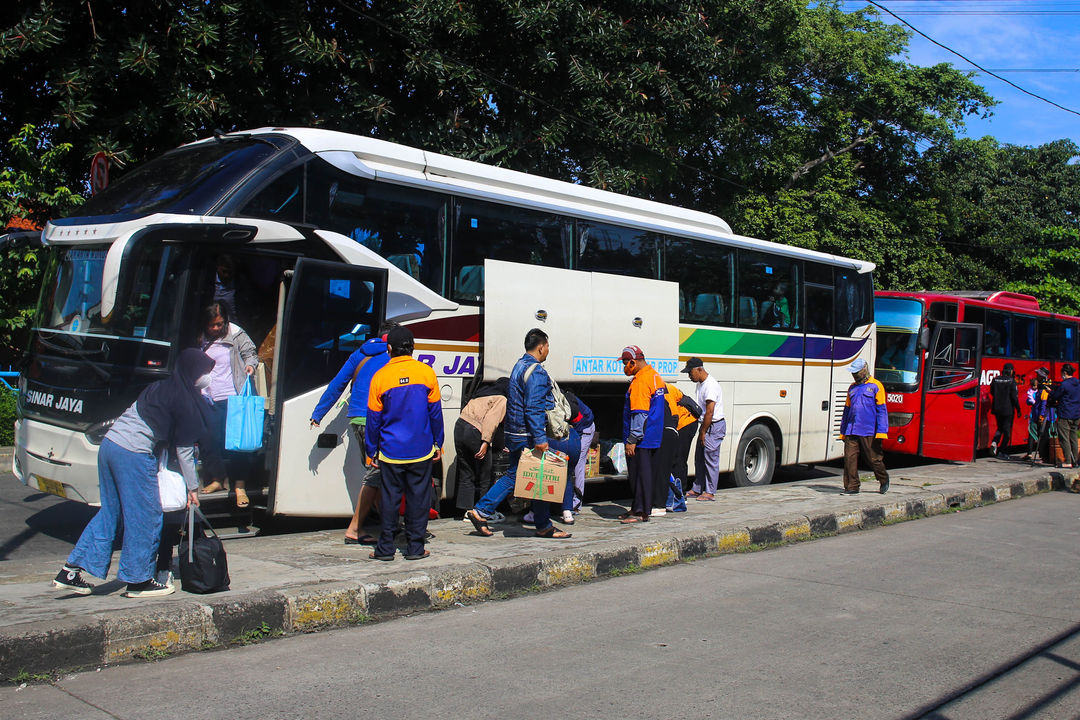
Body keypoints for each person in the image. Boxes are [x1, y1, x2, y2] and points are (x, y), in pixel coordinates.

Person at [53, 349, 213, 598]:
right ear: (194, 373)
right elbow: (184, 453)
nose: (207, 378)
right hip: (133, 452)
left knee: (111, 513)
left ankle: (70, 571)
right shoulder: (186, 403)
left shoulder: (160, 387)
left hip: (110, 446)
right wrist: (193, 488)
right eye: (205, 372)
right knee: (146, 515)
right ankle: (139, 581)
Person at [466, 328, 572, 539]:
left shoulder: (519, 366)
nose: (548, 350)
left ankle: (543, 524)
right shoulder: (537, 372)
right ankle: (481, 510)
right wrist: (540, 439)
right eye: (548, 346)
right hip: (528, 436)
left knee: (536, 476)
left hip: (514, 432)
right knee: (517, 475)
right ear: (541, 346)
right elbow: (533, 408)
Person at [310, 322, 395, 545]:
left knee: (376, 472)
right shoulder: (392, 357)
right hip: (378, 420)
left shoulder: (359, 353)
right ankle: (356, 528)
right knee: (376, 474)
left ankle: (391, 524)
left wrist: (318, 413)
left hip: (357, 419)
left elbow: (338, 384)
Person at [365, 326, 444, 561]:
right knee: (418, 499)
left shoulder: (379, 377)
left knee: (390, 498)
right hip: (420, 449)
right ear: (412, 348)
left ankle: (385, 549)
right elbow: (435, 413)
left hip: (390, 451)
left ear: (389, 349)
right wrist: (437, 443)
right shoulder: (427, 373)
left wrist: (372, 450)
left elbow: (373, 419)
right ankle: (416, 548)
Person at [197, 302, 259, 508]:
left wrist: (250, 365)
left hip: (233, 398)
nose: (215, 328)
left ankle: (239, 485)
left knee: (236, 443)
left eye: (219, 324)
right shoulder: (201, 338)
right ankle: (217, 479)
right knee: (208, 439)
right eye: (211, 325)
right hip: (208, 398)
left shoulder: (235, 333)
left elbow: (250, 353)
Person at [620, 345, 667, 523]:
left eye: (625, 363)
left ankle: (641, 511)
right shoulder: (654, 375)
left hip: (642, 438)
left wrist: (632, 439)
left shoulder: (640, 381)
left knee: (640, 475)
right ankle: (637, 508)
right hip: (652, 435)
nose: (624, 367)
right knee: (645, 474)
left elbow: (640, 414)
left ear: (633, 361)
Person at [454, 378, 509, 513]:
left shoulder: (481, 394)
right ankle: (482, 511)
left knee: (466, 472)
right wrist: (485, 442)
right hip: (475, 432)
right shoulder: (501, 399)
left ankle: (466, 511)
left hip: (459, 428)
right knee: (485, 475)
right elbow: (492, 421)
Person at [838, 358, 889, 495]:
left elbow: (882, 411)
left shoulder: (876, 386)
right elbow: (847, 411)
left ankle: (883, 479)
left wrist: (882, 431)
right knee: (850, 458)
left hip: (869, 430)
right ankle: (852, 486)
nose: (854, 375)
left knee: (874, 459)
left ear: (864, 370)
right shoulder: (852, 388)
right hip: (851, 429)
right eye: (853, 372)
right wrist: (843, 431)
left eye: (857, 372)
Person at [682, 357, 725, 501]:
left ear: (699, 369)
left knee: (710, 458)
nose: (689, 376)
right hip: (706, 425)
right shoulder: (700, 384)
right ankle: (697, 488)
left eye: (690, 372)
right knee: (699, 458)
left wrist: (703, 431)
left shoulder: (710, 385)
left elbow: (710, 412)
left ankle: (710, 491)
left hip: (713, 426)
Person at [662, 383, 699, 507]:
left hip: (686, 423)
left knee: (679, 459)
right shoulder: (661, 388)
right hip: (680, 424)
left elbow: (674, 416)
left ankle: (680, 494)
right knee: (675, 459)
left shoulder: (665, 390)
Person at [563, 389, 597, 519]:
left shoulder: (569, 405)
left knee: (576, 464)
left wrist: (573, 443)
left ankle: (575, 504)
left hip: (583, 429)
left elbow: (580, 424)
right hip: (576, 427)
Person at [1049, 363, 1080, 469]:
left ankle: (1068, 461)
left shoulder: (1064, 385)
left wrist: (1050, 392)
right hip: (1076, 415)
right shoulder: (1078, 383)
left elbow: (1056, 396)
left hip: (1065, 414)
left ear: (1065, 373)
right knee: (1073, 438)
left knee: (1064, 438)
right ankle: (1075, 461)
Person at [989, 363, 1022, 458]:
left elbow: (992, 392)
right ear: (1011, 371)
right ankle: (1002, 452)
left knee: (1000, 428)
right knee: (1007, 431)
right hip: (1008, 409)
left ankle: (995, 442)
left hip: (997, 408)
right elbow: (1014, 397)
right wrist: (1018, 409)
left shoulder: (995, 380)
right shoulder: (1012, 381)